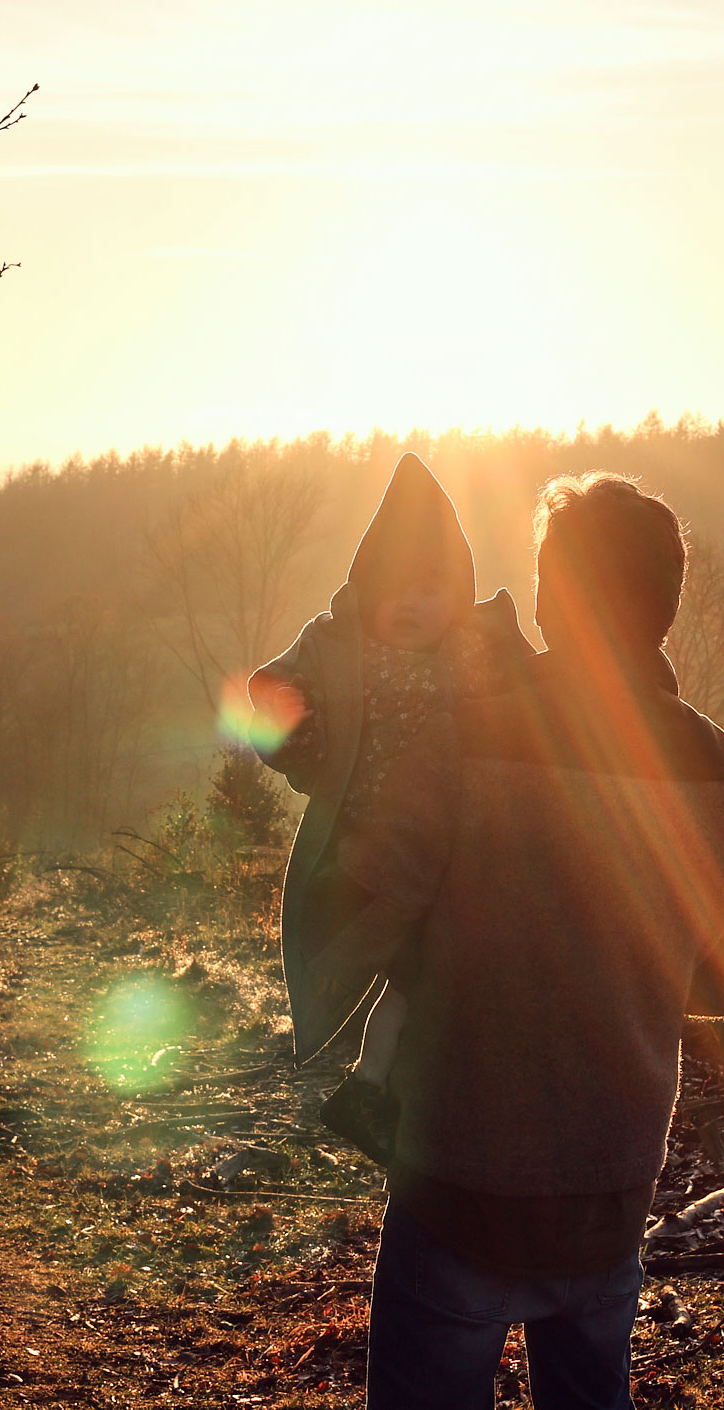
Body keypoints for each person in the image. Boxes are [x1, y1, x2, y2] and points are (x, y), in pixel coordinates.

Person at [347, 472, 724, 1410]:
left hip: (457, 1179)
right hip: (608, 1193)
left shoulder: (461, 737)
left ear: (548, 596)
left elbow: (378, 914)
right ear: (664, 607)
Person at [249, 453, 530, 1165]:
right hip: (363, 843)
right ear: (365, 588)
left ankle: (372, 1089)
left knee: (419, 972)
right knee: (365, 954)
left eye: (430, 589)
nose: (410, 604)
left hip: (447, 847)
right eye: (394, 588)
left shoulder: (475, 645)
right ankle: (365, 1078)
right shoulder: (339, 644)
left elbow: (541, 692)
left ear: (458, 594)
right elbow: (270, 688)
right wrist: (302, 738)